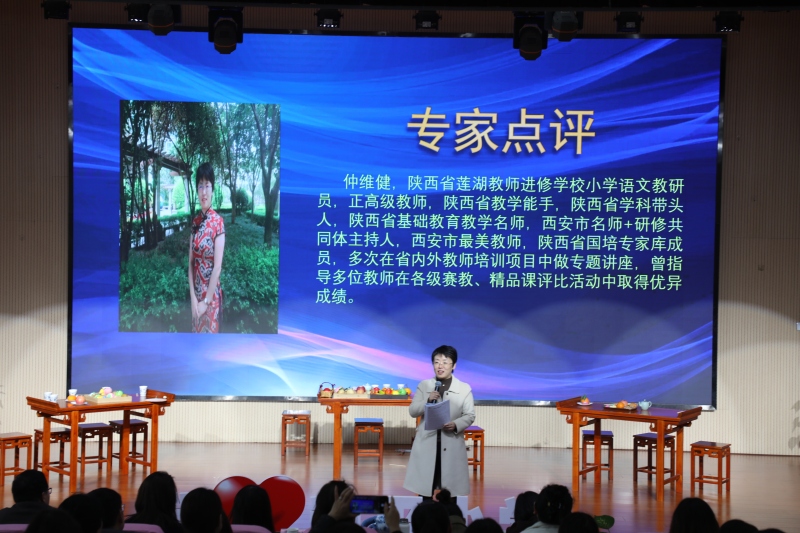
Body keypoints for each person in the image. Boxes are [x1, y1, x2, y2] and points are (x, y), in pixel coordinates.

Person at [404, 345, 476, 497]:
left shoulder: (464, 388)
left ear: (453, 365)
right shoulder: (424, 385)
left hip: (451, 443)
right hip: (427, 443)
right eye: (436, 362)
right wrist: (427, 400)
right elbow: (413, 411)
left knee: (450, 493)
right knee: (425, 489)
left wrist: (456, 424)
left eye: (445, 362)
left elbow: (469, 415)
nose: (440, 366)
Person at [189, 161, 226, 333]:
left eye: (207, 185)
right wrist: (193, 300)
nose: (203, 191)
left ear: (213, 189)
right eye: (200, 186)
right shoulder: (195, 223)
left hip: (210, 300)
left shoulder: (218, 222)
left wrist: (205, 302)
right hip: (196, 300)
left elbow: (217, 268)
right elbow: (190, 264)